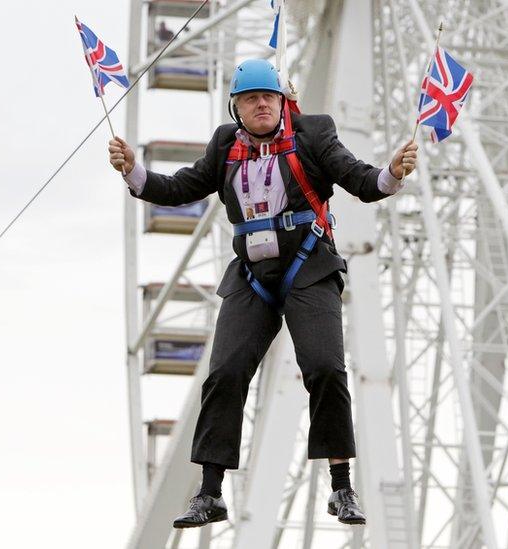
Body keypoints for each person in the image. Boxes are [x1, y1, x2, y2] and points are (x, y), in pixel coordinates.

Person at [108, 58, 418, 529]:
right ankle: (210, 493)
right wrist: (134, 171)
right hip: (252, 275)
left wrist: (391, 173)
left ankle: (341, 487)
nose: (261, 105)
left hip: (309, 269)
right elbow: (179, 188)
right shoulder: (224, 146)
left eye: (269, 97)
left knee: (325, 368)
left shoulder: (314, 134)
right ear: (236, 108)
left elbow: (358, 178)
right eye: (251, 99)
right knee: (225, 372)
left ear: (282, 102)